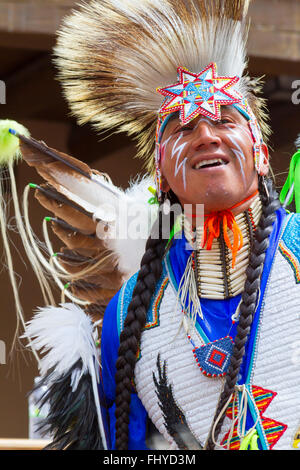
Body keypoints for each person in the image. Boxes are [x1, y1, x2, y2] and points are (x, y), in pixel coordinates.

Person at [1, 0, 299, 451]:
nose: (205, 135)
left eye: (224, 118)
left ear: (258, 149)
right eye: (182, 127)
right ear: (161, 172)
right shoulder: (128, 316)